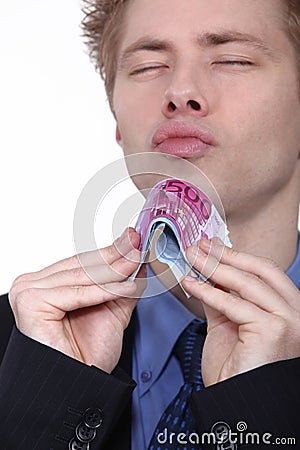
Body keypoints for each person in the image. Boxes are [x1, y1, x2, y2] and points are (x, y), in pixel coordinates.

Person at [0, 0, 300, 448]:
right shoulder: (20, 350)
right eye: (147, 66)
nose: (179, 90)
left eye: (232, 60)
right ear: (117, 119)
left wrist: (265, 408)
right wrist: (47, 406)